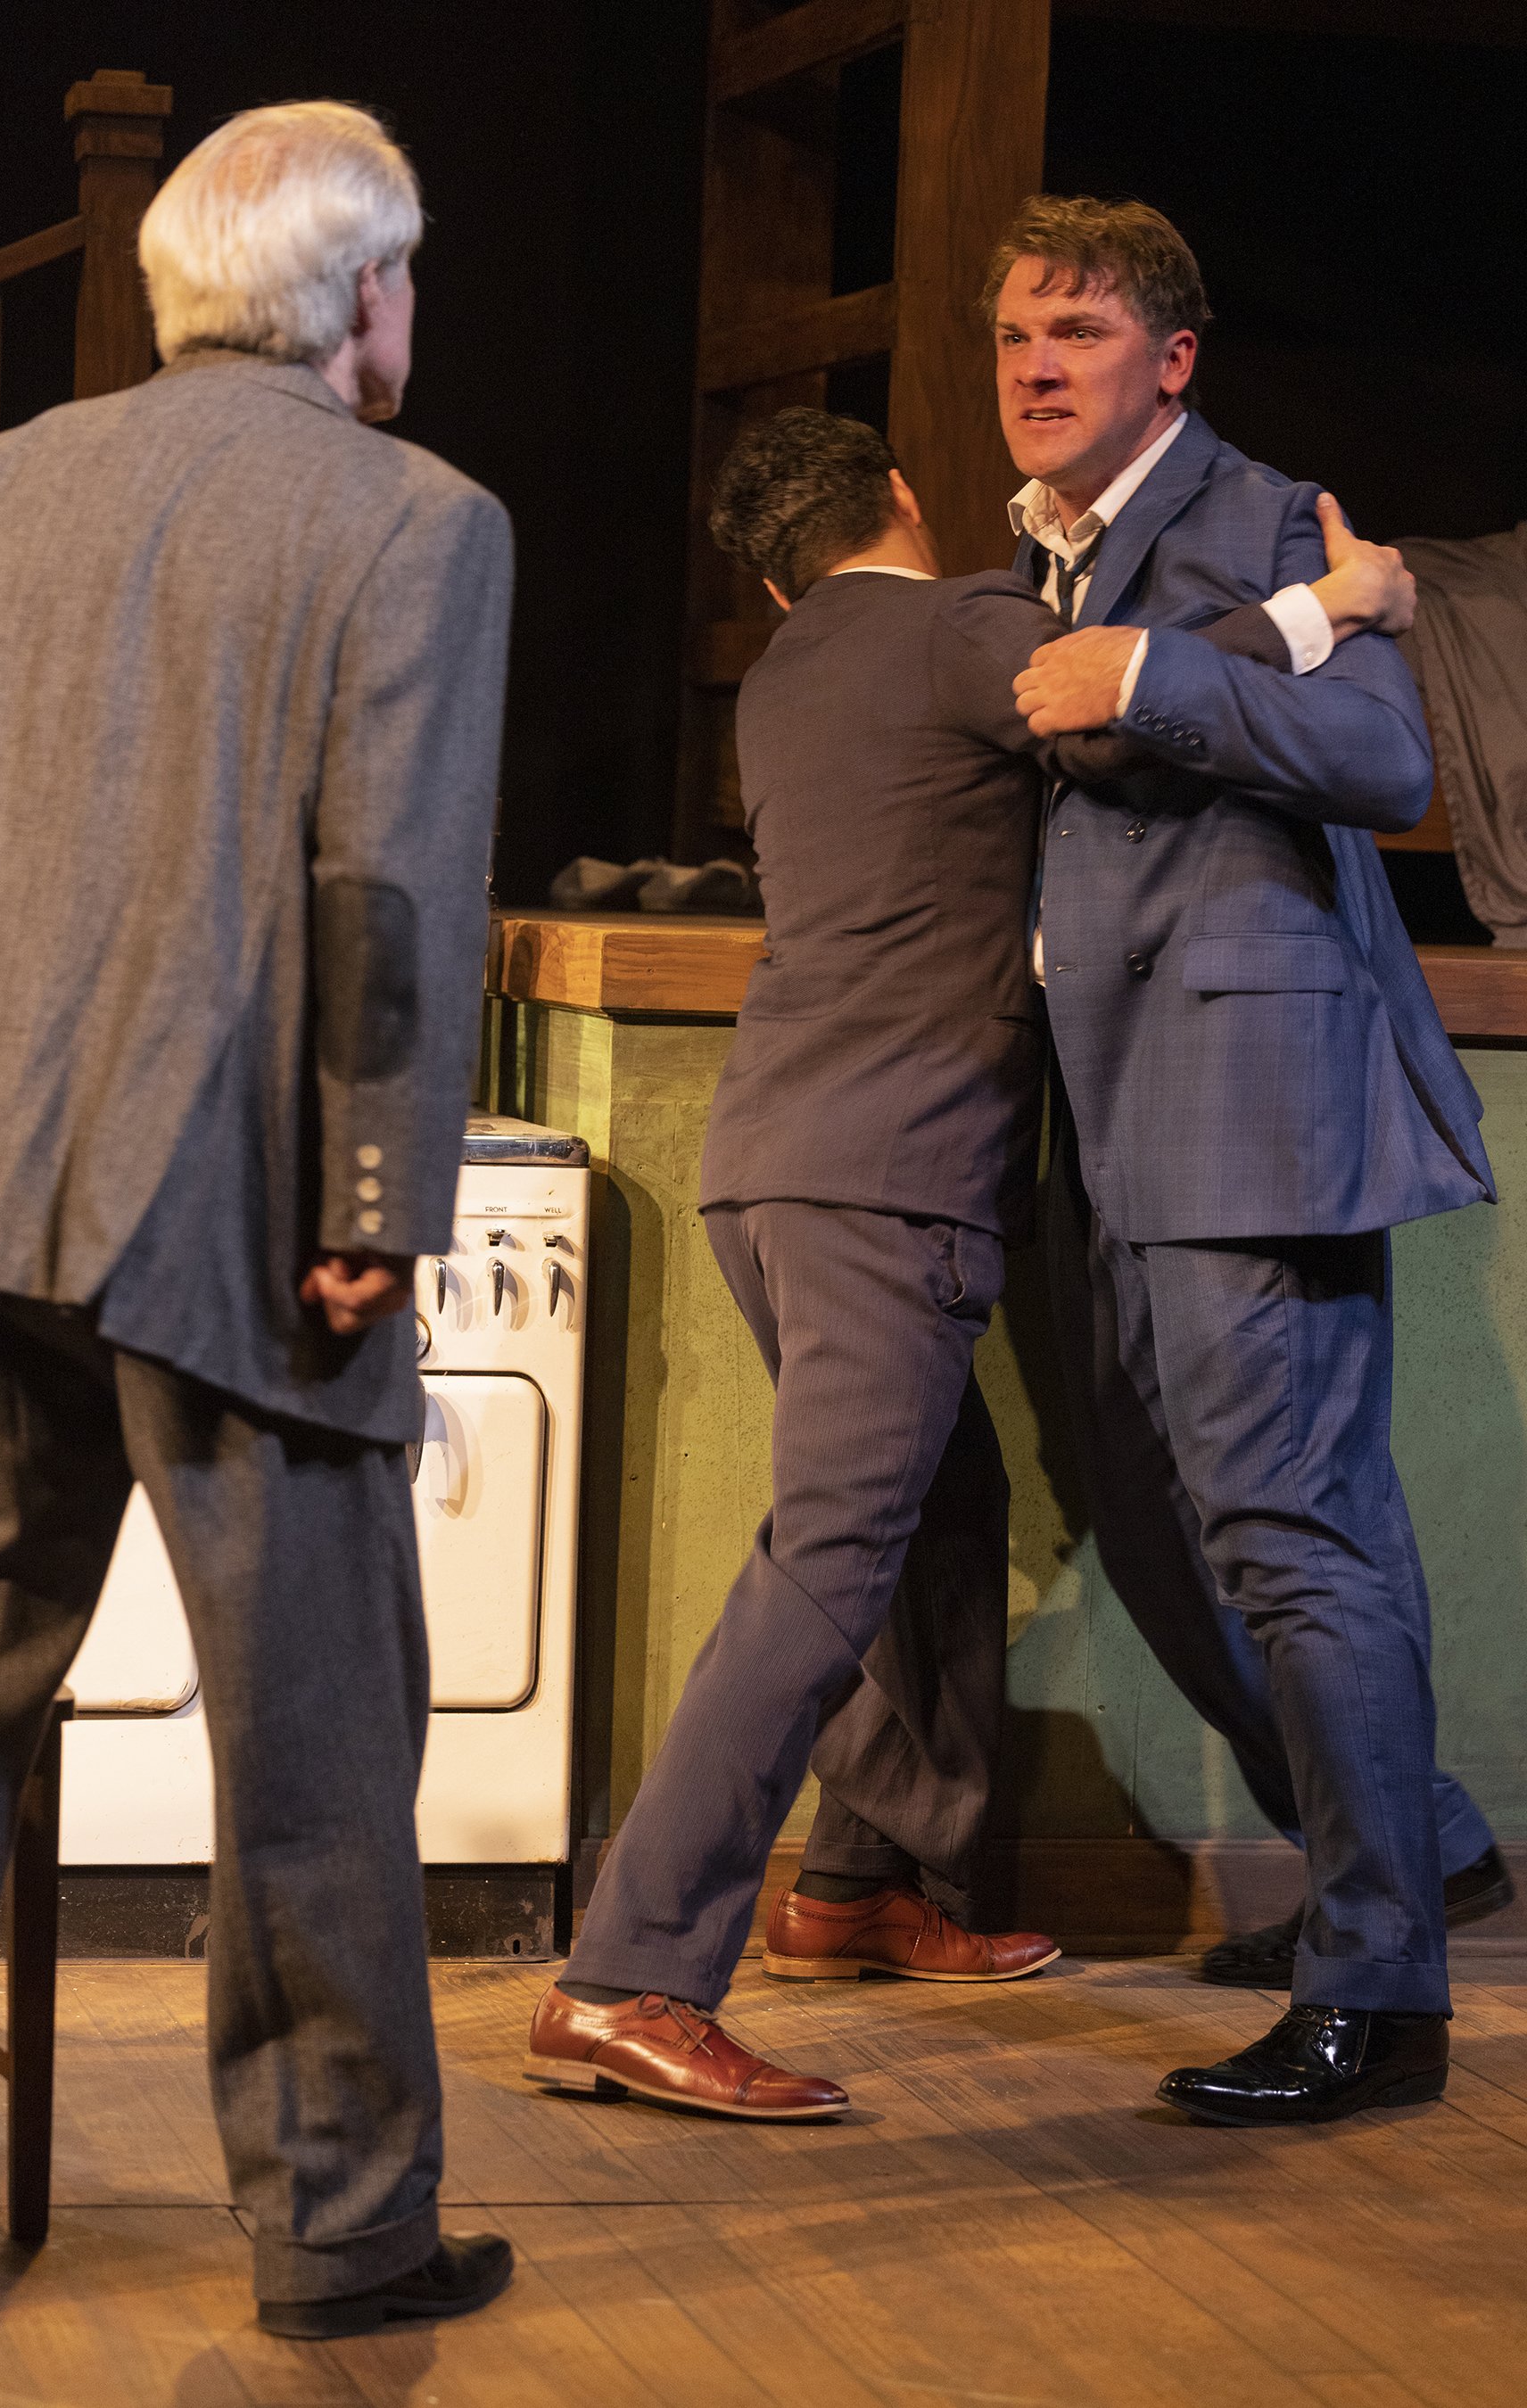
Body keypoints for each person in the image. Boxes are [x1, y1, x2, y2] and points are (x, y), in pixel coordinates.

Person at [0, 102, 516, 2337]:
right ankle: (346, 2223)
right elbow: (392, 878)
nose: (412, 314)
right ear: (360, 294)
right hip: (239, 1208)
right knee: (315, 1739)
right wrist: (375, 1189)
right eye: (411, 278)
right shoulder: (420, 520)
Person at [524, 407, 1411, 2122]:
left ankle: (864, 1875)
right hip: (891, 1183)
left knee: (940, 1509)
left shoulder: (783, 682)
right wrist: (1338, 606)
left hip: (773, 1172)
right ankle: (630, 1971)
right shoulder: (954, 626)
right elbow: (1125, 696)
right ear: (909, 504)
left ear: (773, 575)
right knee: (830, 1557)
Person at [1000, 196, 1502, 2121]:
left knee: (1299, 1538)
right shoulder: (1061, 554)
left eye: (1080, 335)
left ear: (1172, 361)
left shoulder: (1272, 517)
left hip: (1250, 1099)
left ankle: (1383, 1992)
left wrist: (1156, 678)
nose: (1038, 370)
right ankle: (1423, 1851)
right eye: (1016, 341)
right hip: (1113, 1105)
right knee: (1168, 1525)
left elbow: (1387, 769)